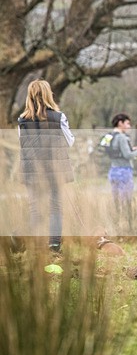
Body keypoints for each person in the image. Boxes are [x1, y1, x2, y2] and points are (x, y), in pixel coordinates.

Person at [17, 79, 75, 253]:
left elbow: (22, 143)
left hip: (32, 169)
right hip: (54, 169)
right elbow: (70, 141)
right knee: (55, 206)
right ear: (48, 94)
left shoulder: (22, 119)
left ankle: (36, 245)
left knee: (35, 206)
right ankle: (54, 246)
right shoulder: (59, 117)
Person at [108, 113, 137, 213]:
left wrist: (132, 149)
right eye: (128, 123)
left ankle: (116, 218)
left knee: (116, 199)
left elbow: (116, 151)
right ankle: (127, 221)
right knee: (126, 200)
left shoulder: (109, 136)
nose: (129, 126)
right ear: (120, 123)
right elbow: (127, 155)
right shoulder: (122, 137)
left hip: (113, 170)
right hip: (124, 171)